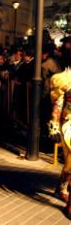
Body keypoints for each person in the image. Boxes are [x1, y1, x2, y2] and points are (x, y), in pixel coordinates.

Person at [49, 68, 71, 218]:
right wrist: (54, 127)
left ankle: (62, 186)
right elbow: (57, 106)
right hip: (69, 126)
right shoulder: (65, 80)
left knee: (70, 164)